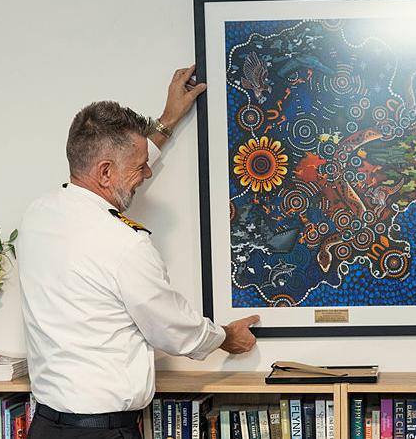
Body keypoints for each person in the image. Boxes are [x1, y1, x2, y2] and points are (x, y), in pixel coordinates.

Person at [19, 66, 260, 439]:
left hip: (47, 426)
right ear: (104, 173)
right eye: (139, 166)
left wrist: (167, 120)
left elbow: (119, 166)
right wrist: (226, 337)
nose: (147, 172)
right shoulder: (124, 243)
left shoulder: (37, 216)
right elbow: (174, 329)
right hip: (101, 433)